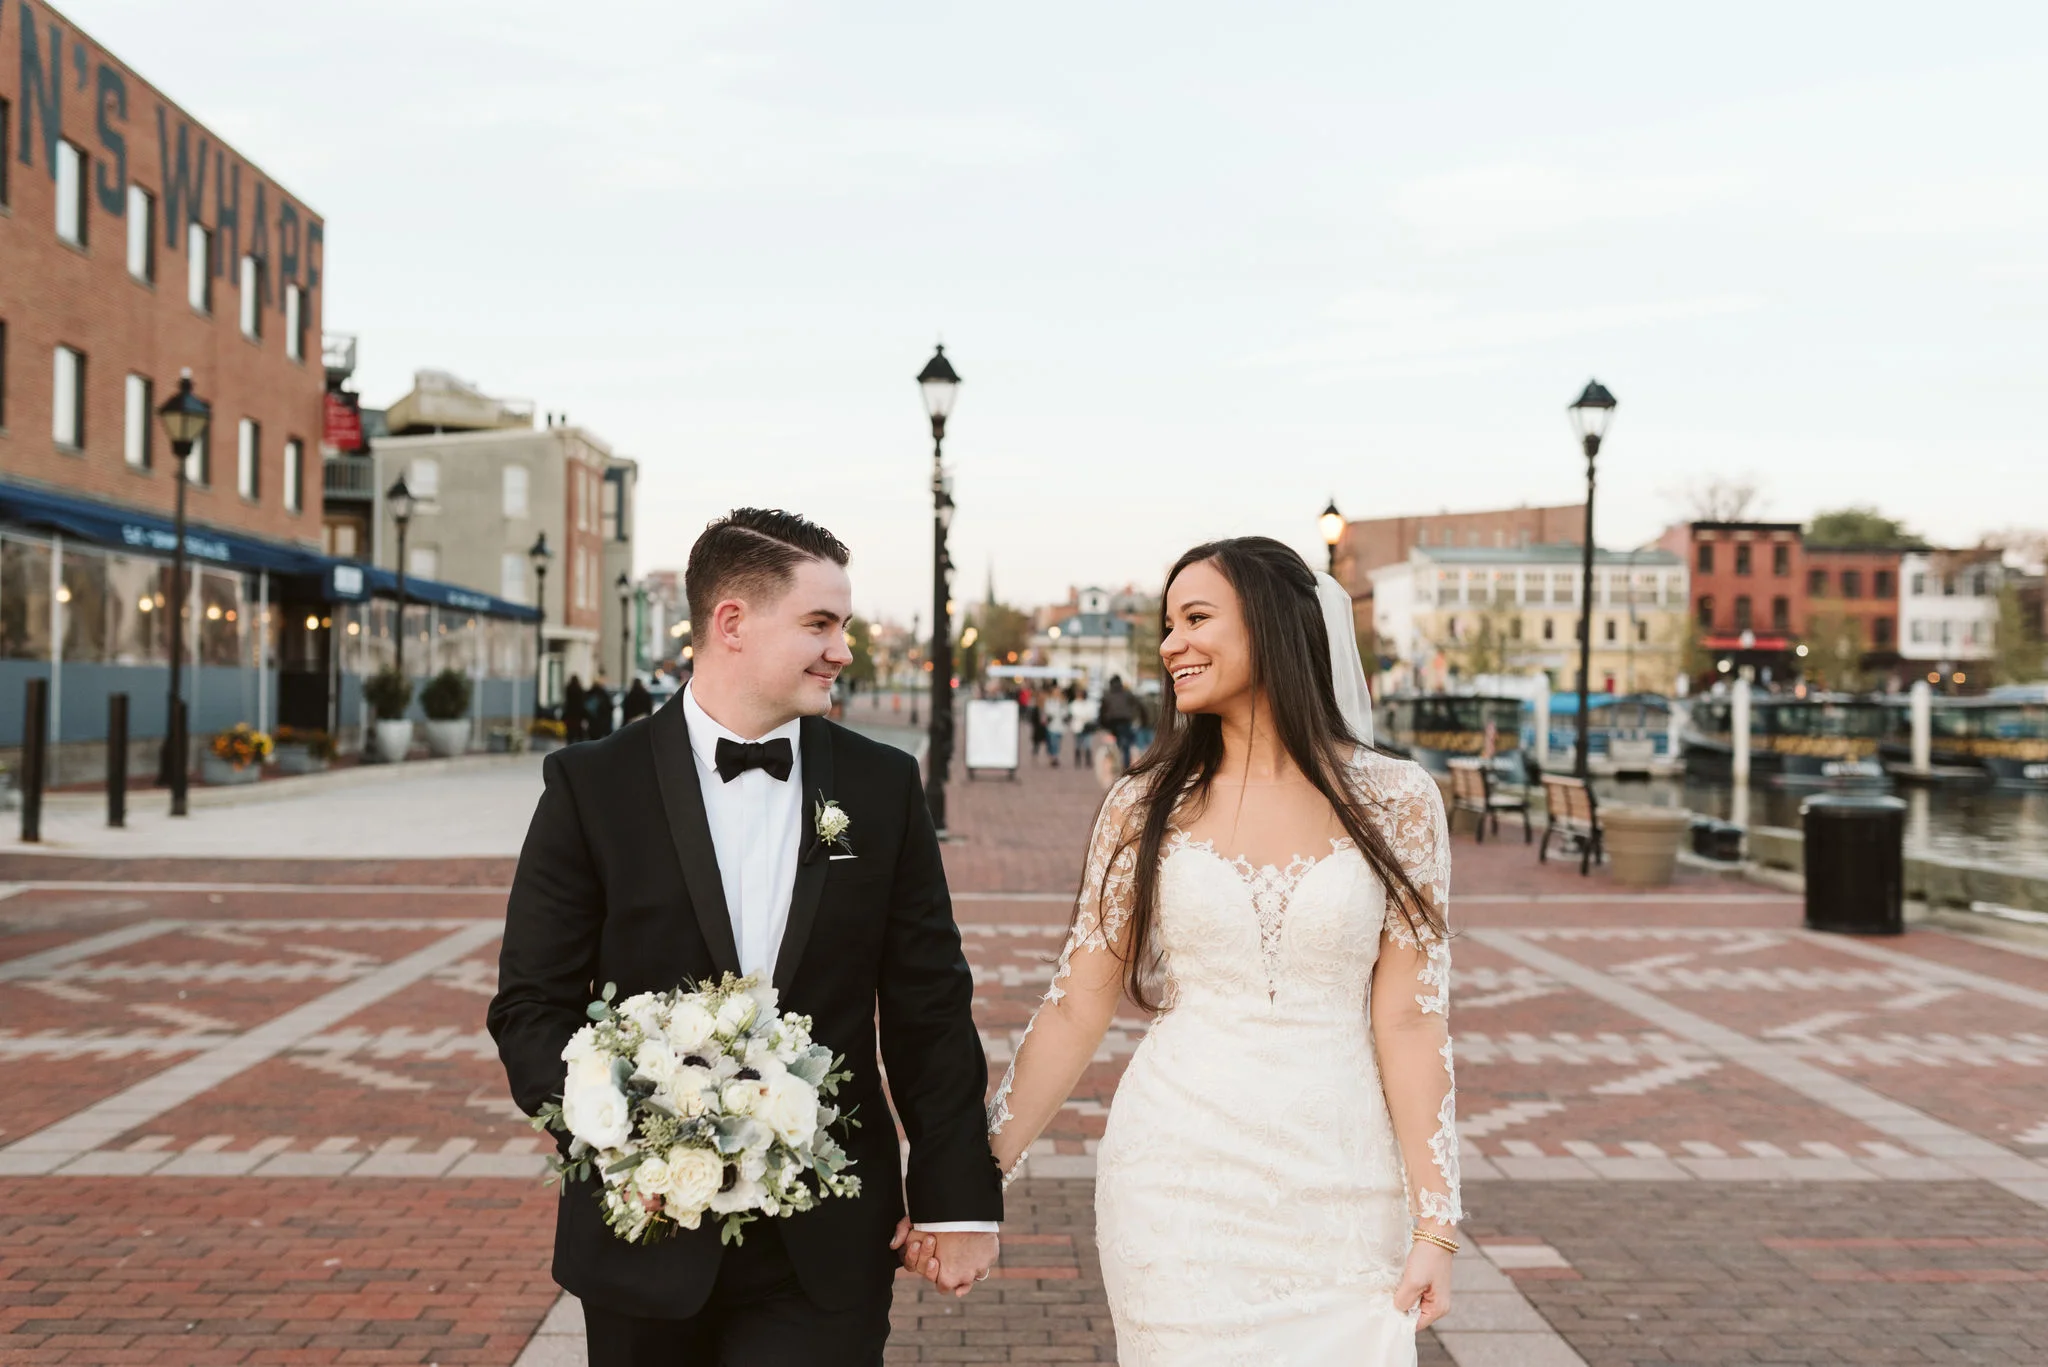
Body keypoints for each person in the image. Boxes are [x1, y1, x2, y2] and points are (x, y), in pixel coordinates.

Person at [905, 537, 1458, 1364]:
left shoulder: (1398, 801)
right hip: (1176, 1174)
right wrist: (970, 1180)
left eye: (1196, 618)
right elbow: (1077, 1000)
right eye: (1168, 624)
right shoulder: (1144, 802)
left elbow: (1411, 1020)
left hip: (1345, 1179)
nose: (1171, 645)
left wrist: (1436, 1221)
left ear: (1272, 628)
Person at [490, 509, 1001, 1367]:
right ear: (730, 622)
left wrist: (956, 1199)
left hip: (825, 1242)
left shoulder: (879, 786)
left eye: (843, 625)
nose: (844, 648)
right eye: (820, 624)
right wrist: (637, 1129)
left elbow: (928, 1006)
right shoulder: (591, 786)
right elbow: (531, 1006)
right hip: (643, 1234)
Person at [1098, 675, 1138, 770]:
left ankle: (1115, 759)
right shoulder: (1127, 693)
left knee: (1114, 742)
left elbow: (1102, 711)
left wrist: (1102, 723)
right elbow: (1137, 704)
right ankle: (1126, 767)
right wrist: (1133, 715)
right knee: (1126, 745)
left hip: (1111, 722)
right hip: (1125, 720)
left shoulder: (1107, 694)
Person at [585, 674, 616, 740]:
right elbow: (610, 707)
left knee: (593, 741)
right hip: (602, 723)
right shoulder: (603, 694)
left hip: (592, 722)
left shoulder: (588, 694)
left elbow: (584, 708)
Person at [1042, 690, 1067, 767]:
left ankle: (1055, 756)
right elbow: (1048, 711)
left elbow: (1065, 712)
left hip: (1060, 726)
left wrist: (1061, 706)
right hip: (1051, 726)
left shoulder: (1063, 702)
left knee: (1057, 743)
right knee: (1052, 742)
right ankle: (1053, 757)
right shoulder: (1049, 702)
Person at [563, 675, 588, 744]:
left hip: (570, 713)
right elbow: (582, 702)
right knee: (578, 731)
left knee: (570, 732)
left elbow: (567, 702)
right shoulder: (579, 690)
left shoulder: (568, 689)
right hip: (578, 714)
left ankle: (570, 743)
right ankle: (579, 744)